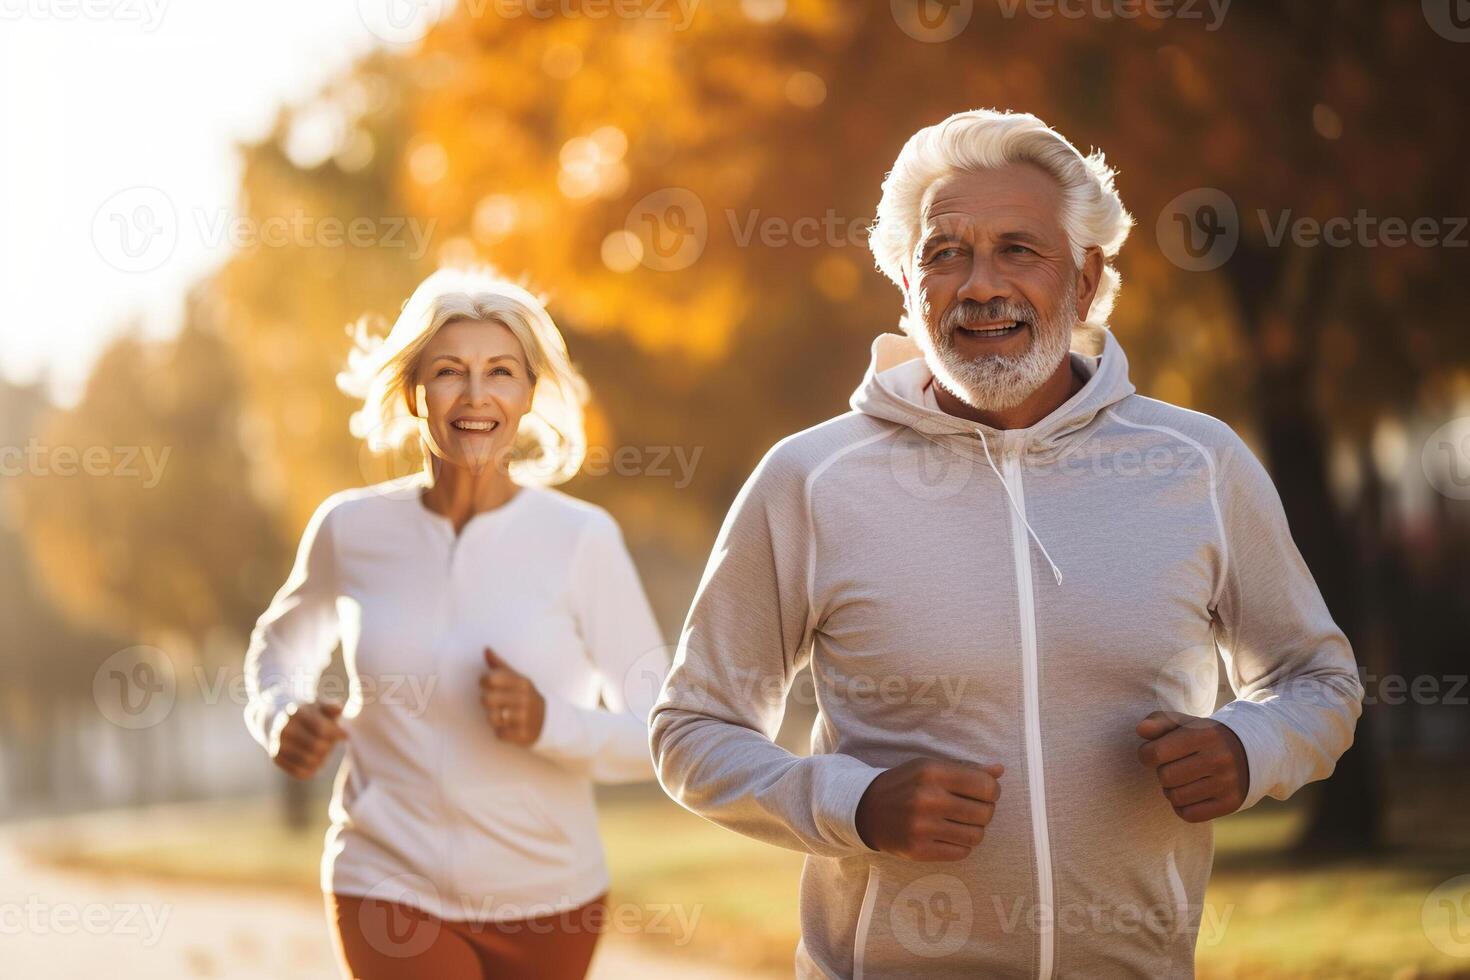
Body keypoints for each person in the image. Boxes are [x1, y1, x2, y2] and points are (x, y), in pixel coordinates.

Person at [650, 108, 1363, 978]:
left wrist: (1250, 749)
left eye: (1018, 249)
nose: (980, 285)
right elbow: (693, 728)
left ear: (1089, 278)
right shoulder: (811, 479)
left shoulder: (1197, 463)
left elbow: (1317, 681)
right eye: (944, 253)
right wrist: (855, 802)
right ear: (907, 290)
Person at [243, 266, 665, 980]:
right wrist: (279, 714)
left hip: (550, 897)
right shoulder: (350, 528)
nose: (475, 396)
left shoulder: (580, 538)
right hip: (387, 880)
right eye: (449, 372)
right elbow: (279, 650)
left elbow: (661, 731)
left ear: (529, 393)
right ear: (414, 392)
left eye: (500, 372)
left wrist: (549, 723)